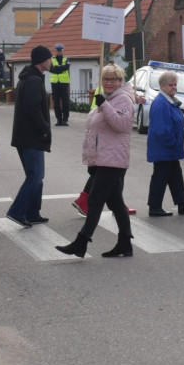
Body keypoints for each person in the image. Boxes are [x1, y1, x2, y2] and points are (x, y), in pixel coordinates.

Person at [56, 64, 136, 258]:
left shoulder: (123, 99)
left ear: (120, 81)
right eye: (105, 79)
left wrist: (104, 105)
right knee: (116, 203)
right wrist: (93, 160)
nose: (108, 83)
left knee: (95, 200)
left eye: (113, 79)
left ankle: (81, 242)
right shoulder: (108, 98)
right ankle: (125, 243)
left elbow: (121, 124)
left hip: (113, 160)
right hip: (103, 159)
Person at [5, 45, 53, 227]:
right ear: (42, 61)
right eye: (49, 58)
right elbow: (33, 109)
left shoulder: (30, 78)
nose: (51, 61)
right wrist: (44, 128)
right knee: (35, 176)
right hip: (31, 137)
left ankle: (32, 212)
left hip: (27, 136)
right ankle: (17, 211)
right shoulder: (33, 80)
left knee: (36, 177)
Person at [147, 70, 184, 217]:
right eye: (170, 85)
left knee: (175, 176)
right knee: (161, 177)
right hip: (164, 149)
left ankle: (182, 204)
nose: (174, 87)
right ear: (162, 86)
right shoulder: (162, 103)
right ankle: (154, 206)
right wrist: (173, 142)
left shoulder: (168, 100)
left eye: (175, 84)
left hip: (170, 149)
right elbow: (161, 130)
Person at [50, 43, 71, 126]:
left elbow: (67, 67)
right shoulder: (52, 59)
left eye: (60, 50)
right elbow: (50, 69)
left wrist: (57, 68)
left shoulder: (66, 58)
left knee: (65, 102)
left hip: (64, 83)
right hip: (55, 83)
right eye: (57, 50)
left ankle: (65, 119)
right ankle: (59, 120)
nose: (59, 52)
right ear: (55, 51)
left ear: (62, 51)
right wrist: (61, 68)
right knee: (56, 102)